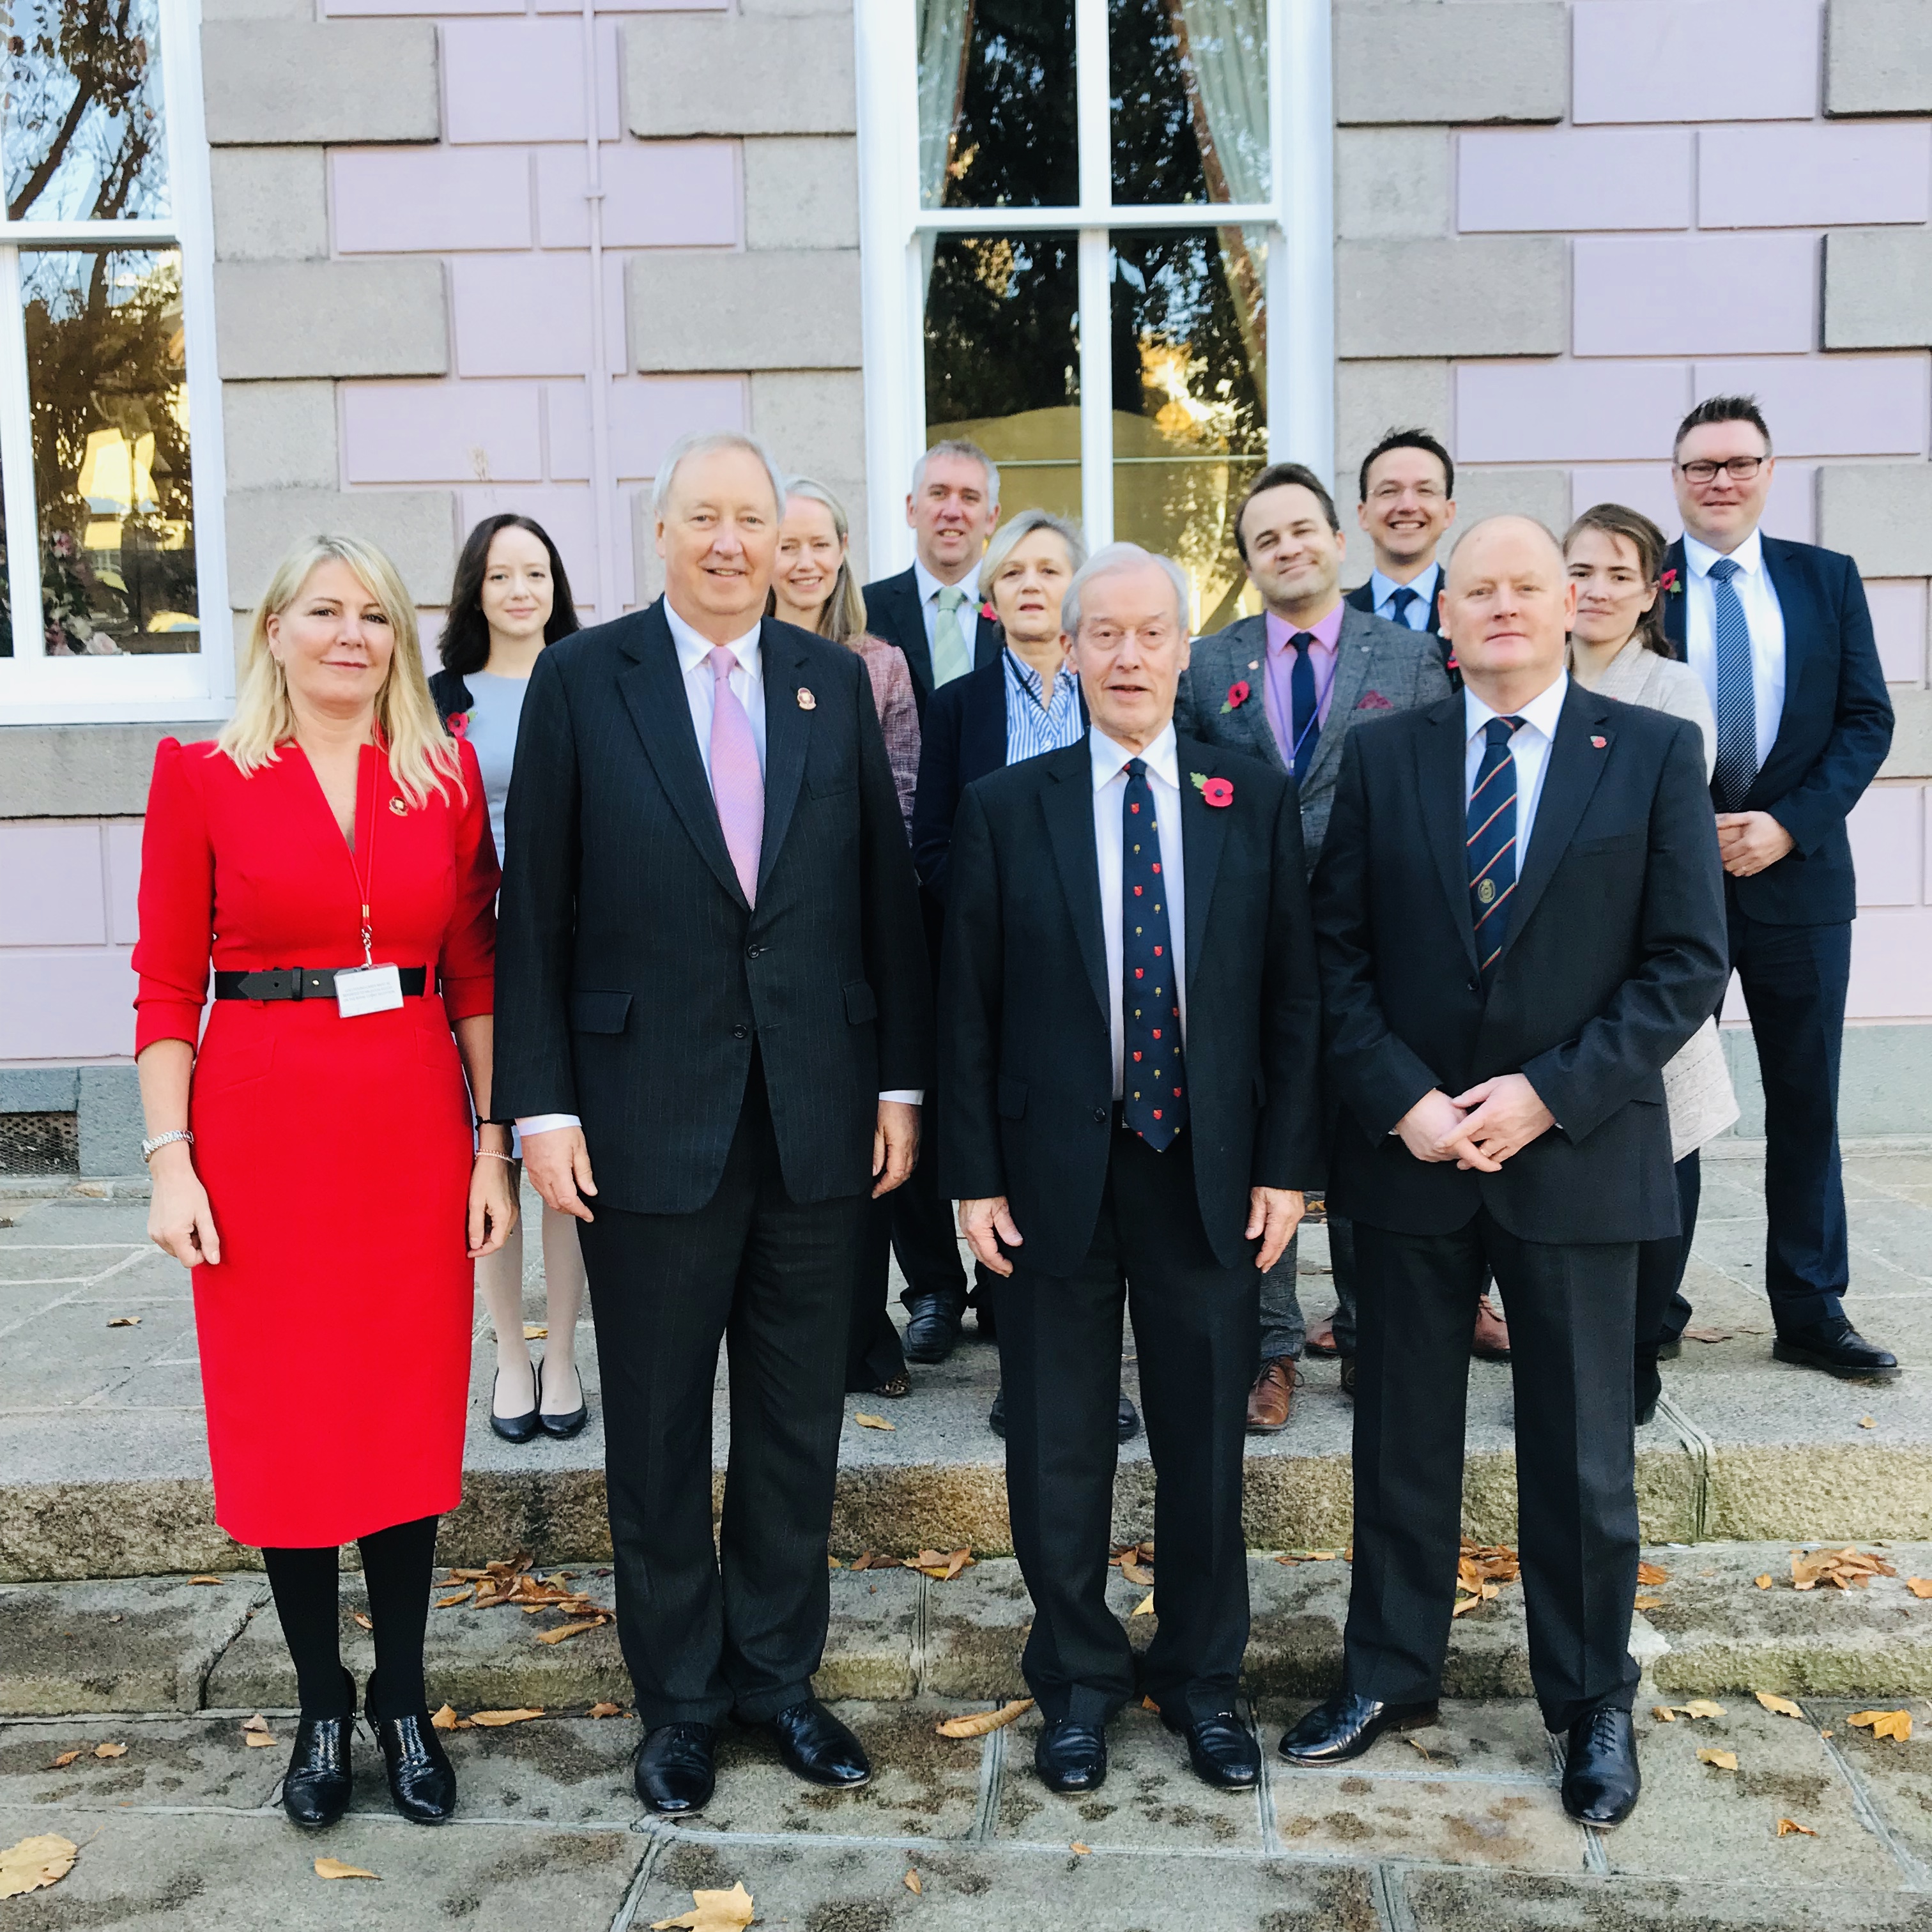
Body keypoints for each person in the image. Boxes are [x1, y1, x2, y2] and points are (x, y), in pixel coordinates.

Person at [494, 431, 931, 1819]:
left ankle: (778, 1685)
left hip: (815, 1119)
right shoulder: (582, 680)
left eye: (755, 519)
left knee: (798, 1424)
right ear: (662, 536)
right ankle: (679, 1704)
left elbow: (883, 894)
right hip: (641, 1121)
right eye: (706, 519)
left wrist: (900, 1086)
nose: (734, 542)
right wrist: (542, 1108)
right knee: (664, 1432)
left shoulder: (828, 683)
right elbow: (535, 914)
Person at [1287, 515, 1729, 1830]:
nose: (1503, 607)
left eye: (1528, 586)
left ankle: (1592, 1700)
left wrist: (1548, 1092)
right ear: (1446, 616)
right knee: (1399, 1437)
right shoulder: (1381, 758)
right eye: (1477, 590)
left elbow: (1685, 962)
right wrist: (1405, 1102)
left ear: (1578, 603)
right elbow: (1335, 955)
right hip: (1414, 1158)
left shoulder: (1652, 753)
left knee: (1585, 1452)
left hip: (1578, 1154)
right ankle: (1388, 1673)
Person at [134, 534, 514, 1832]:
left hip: (408, 1127)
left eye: (376, 616)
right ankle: (319, 1702)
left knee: (401, 1425)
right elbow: (165, 979)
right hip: (256, 1134)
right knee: (289, 1431)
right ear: (276, 631)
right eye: (325, 612)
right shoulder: (203, 775)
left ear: (400, 641)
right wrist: (168, 1157)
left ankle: (402, 1697)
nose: (352, 634)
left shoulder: (443, 773)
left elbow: (474, 972)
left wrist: (491, 1142)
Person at [942, 542, 1323, 1798]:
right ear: (1065, 645)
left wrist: (1285, 1165)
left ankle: (1206, 1682)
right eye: (1098, 633)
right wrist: (973, 1176)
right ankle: (1079, 1684)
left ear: (1181, 646)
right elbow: (967, 1008)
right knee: (1055, 1446)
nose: (1123, 655)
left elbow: (1291, 998)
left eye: (1147, 633)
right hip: (1053, 1172)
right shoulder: (1009, 804)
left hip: (1205, 1171)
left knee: (1205, 1444)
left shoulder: (1246, 796)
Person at [1175, 462, 1464, 1432]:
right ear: (1249, 561)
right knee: (1269, 1135)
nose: (1288, 548)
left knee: (1372, 1131)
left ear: (1338, 540)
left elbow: (1439, 793)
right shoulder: (1211, 666)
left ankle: (1372, 1332)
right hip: (1247, 942)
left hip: (1376, 939)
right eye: (1266, 539)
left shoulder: (1415, 655)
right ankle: (1271, 1350)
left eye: (1303, 531)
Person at [1659, 396, 1897, 1381]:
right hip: (1673, 888)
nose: (1721, 479)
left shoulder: (1824, 580)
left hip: (1798, 878)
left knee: (1807, 1098)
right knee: (1666, 1100)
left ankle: (1810, 1306)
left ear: (1767, 471)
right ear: (1675, 478)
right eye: (1701, 465)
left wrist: (1785, 823)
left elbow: (1865, 721)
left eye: (1739, 463)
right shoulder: (1647, 584)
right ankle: (1647, 1303)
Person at [910, 509, 1134, 1443]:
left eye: (1051, 570)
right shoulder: (959, 704)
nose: (1032, 584)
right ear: (992, 602)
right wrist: (1008, 908)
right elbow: (932, 841)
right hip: (1001, 968)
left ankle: (1102, 1374)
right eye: (1014, 575)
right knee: (1012, 1159)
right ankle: (1023, 1363)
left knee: (1103, 1170)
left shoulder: (1119, 691)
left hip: (1114, 968)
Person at [1565, 503, 1738, 1424]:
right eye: (1579, 570)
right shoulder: (1526, 679)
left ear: (1650, 593)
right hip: (1550, 974)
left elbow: (1658, 835)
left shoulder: (1671, 693)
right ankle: (1572, 1355)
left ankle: (1639, 1349)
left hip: (1646, 960)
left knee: (1662, 1149)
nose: (1593, 590)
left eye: (1616, 576)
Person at [429, 514, 590, 1444]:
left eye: (537, 571)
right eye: (501, 575)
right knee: (486, 1153)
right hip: (470, 946)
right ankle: (509, 1353)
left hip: (572, 949)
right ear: (476, 591)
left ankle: (563, 1351)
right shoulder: (438, 696)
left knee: (565, 1157)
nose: (520, 590)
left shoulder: (591, 684)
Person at [767, 475, 921, 1400]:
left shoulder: (880, 666)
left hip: (854, 930)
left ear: (842, 552)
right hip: (765, 936)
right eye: (788, 543)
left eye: (819, 543)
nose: (804, 560)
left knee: (863, 1141)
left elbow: (896, 805)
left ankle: (869, 1329)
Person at [860, 439, 1004, 709]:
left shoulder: (1015, 609)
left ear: (992, 518)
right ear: (911, 509)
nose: (952, 512)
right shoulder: (864, 611)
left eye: (969, 497)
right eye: (938, 494)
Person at [1344, 427, 1457, 668]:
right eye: (1389, 491)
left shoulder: (1473, 612)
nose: (1407, 505)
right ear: (1363, 515)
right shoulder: (1336, 621)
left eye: (1425, 490)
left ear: (1448, 513)